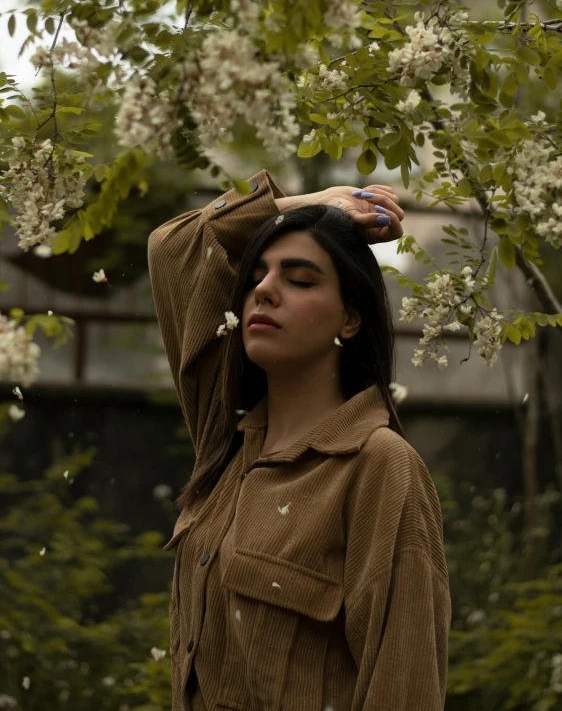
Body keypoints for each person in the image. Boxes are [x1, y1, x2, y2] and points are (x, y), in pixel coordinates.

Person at [148, 170, 451, 711]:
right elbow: (173, 246)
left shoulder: (378, 467)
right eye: (257, 276)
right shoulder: (227, 435)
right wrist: (305, 203)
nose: (263, 289)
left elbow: (403, 688)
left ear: (350, 318)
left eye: (300, 279)